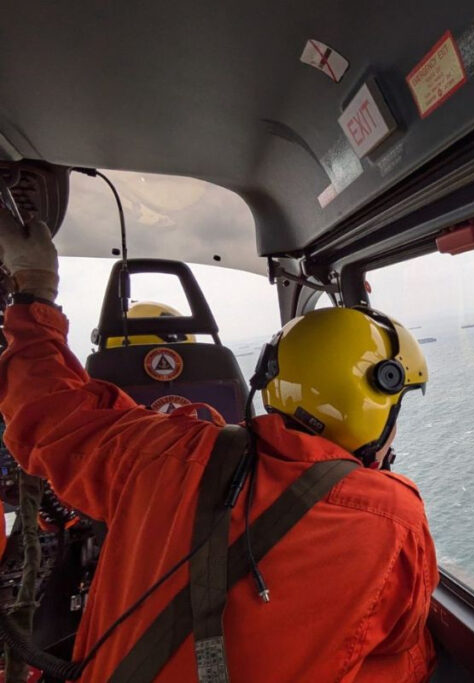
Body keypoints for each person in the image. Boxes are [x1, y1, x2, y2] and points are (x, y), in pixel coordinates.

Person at [0, 213, 438, 682]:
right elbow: (402, 643)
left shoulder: (157, 452)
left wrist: (36, 289)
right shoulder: (393, 520)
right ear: (375, 401)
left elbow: (46, 408)